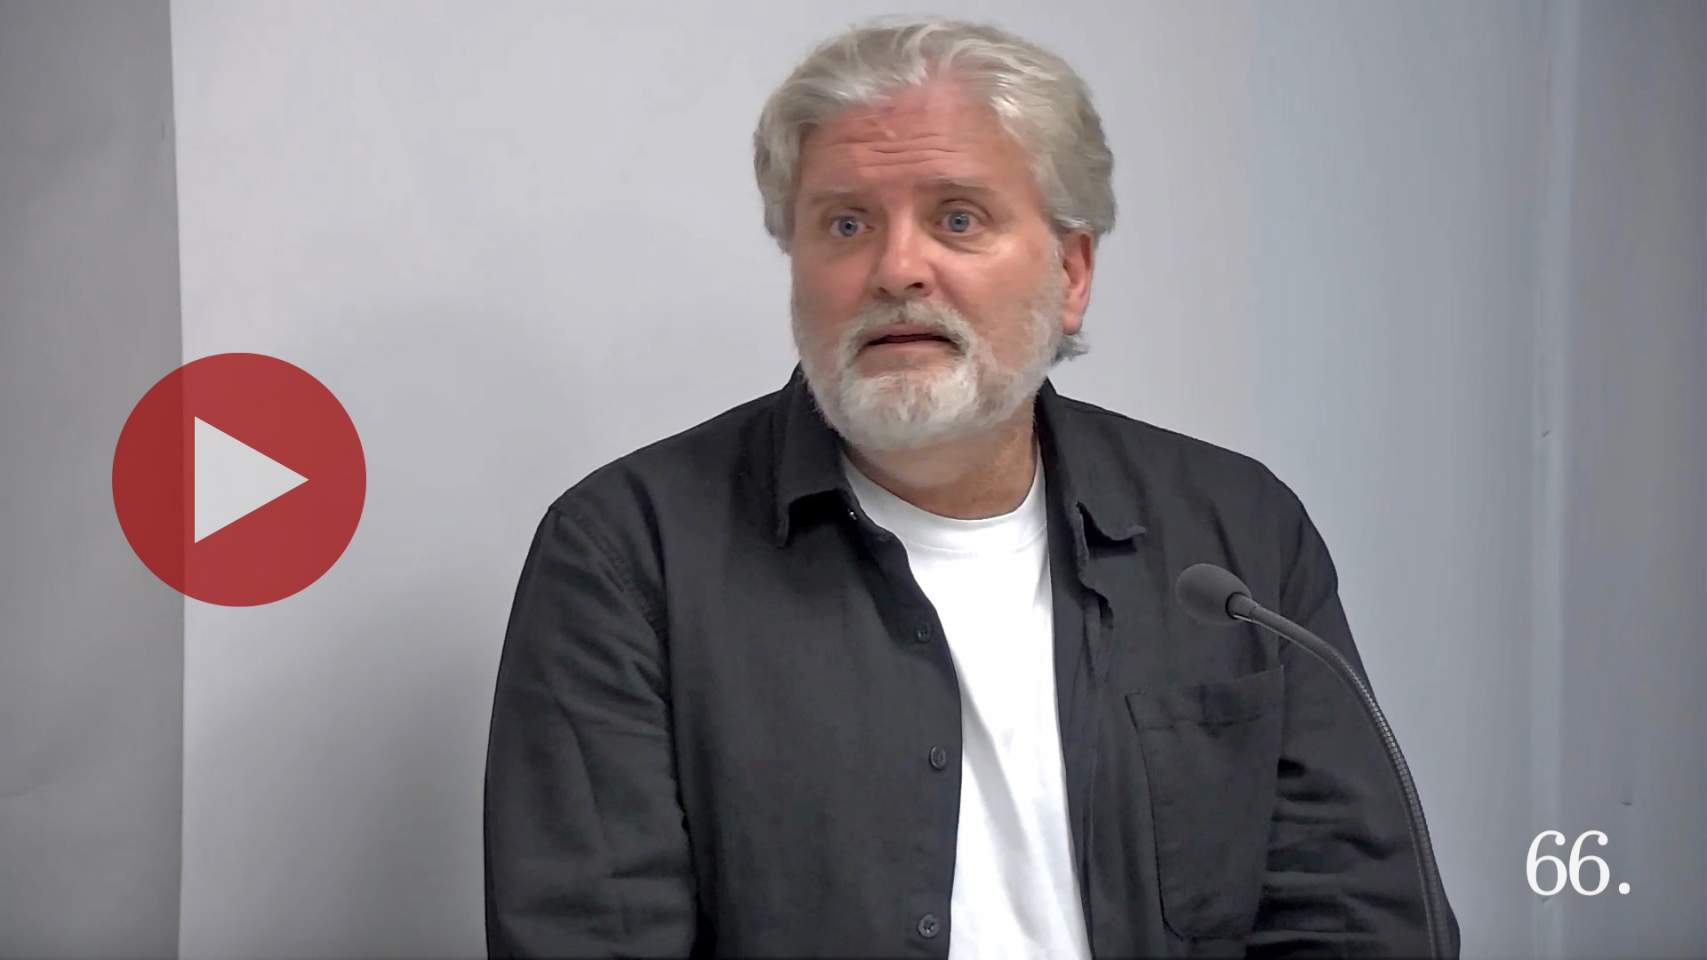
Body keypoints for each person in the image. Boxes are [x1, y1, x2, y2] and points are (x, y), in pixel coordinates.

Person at [483, 15, 1458, 959]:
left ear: (1070, 273)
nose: (897, 269)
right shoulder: (627, 556)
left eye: (957, 217)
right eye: (846, 223)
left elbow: (1356, 917)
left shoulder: (1236, 532)